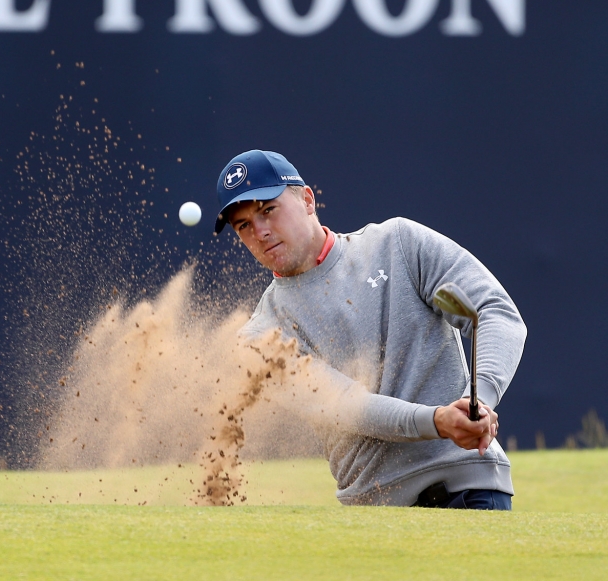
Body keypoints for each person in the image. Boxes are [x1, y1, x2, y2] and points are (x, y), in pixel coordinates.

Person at [214, 149, 525, 509]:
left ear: (308, 200)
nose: (261, 231)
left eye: (268, 210)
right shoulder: (260, 336)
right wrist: (437, 421)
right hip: (373, 509)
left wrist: (480, 401)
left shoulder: (398, 244)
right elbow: (346, 406)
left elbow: (497, 311)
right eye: (244, 226)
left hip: (468, 487)